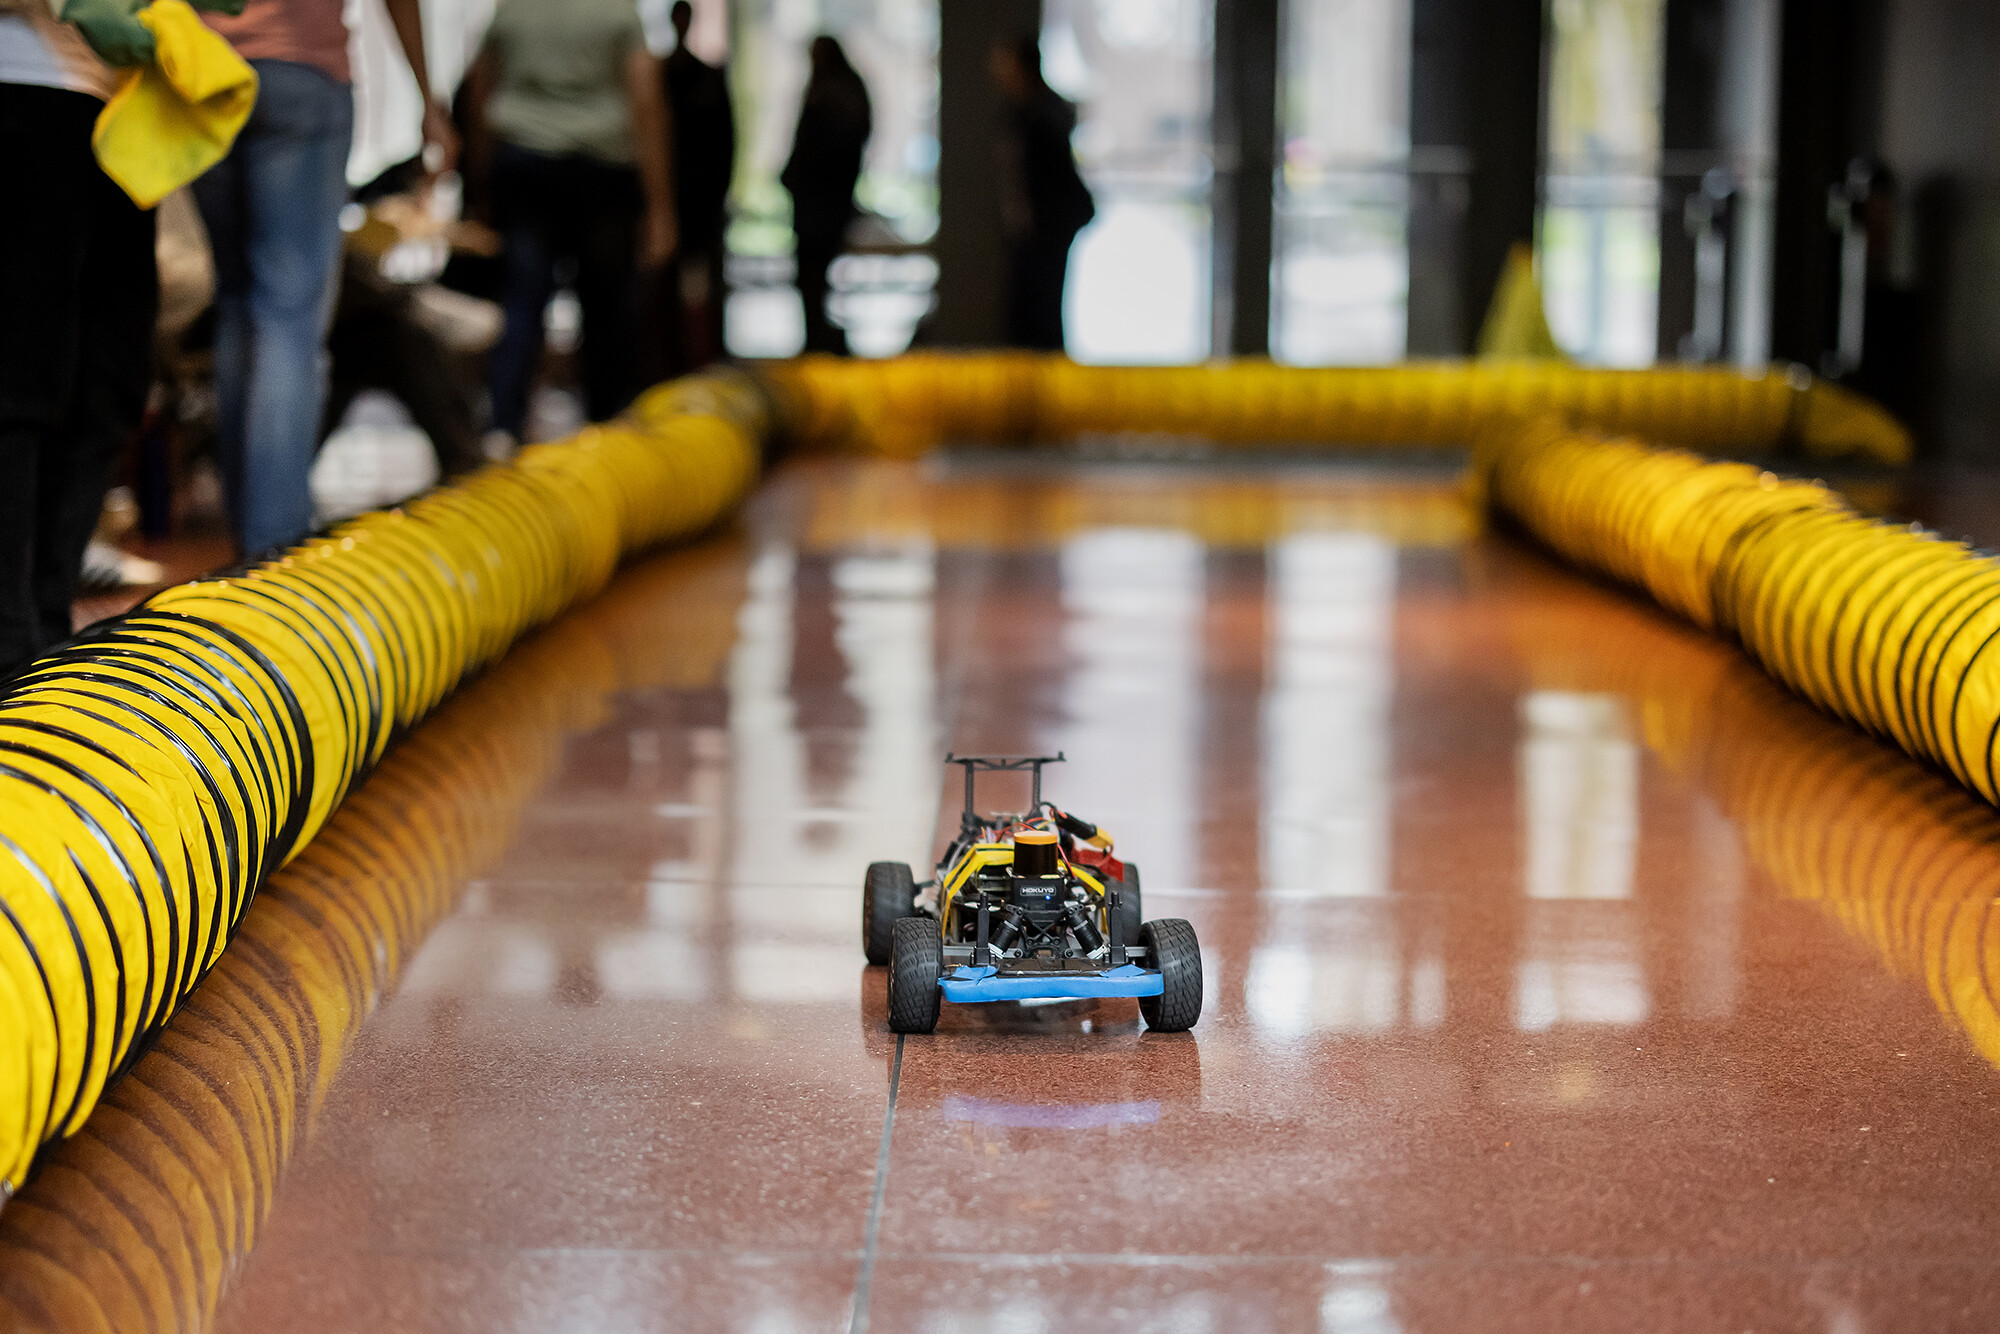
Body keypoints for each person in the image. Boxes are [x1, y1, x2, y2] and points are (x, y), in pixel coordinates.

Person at [0, 0, 242, 679]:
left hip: (119, 109)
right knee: (24, 379)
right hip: (22, 88)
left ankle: (48, 614)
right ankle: (12, 634)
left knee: (111, 382)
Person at [194, 0, 457, 557]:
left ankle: (244, 527)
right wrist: (427, 97)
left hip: (203, 72)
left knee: (238, 306)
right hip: (304, 73)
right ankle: (272, 545)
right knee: (288, 317)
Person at [470, 0, 675, 449]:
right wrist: (660, 204)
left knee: (523, 301)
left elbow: (481, 85)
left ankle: (502, 427)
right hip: (602, 168)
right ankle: (607, 429)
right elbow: (645, 96)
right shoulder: (618, 12)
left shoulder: (512, 10)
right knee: (606, 308)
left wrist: (481, 180)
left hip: (523, 163)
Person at [991, 34, 1093, 351]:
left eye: (1004, 63)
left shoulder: (1043, 113)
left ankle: (1042, 391)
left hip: (1048, 227)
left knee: (1041, 312)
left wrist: (1036, 222)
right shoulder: (1025, 112)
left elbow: (1050, 177)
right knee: (1029, 312)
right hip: (1037, 227)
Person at [648, 0, 733, 378]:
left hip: (702, 202)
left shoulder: (707, 78)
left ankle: (709, 362)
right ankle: (666, 366)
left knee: (707, 289)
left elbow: (727, 145)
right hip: (671, 201)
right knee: (662, 291)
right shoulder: (658, 75)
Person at [781, 35, 868, 357]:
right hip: (822, 210)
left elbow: (818, 154)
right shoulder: (845, 95)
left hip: (820, 211)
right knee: (814, 285)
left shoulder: (830, 98)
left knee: (815, 283)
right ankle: (819, 345)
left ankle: (821, 347)